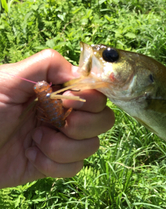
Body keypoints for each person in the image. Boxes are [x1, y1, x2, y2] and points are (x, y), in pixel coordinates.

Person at [0, 49, 115, 189]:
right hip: (49, 101)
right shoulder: (54, 114)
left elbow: (49, 109)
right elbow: (50, 109)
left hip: (48, 101)